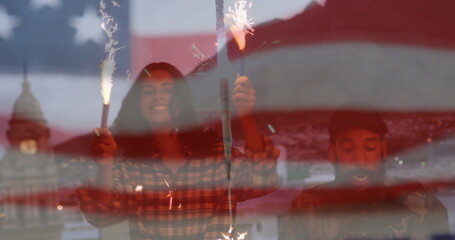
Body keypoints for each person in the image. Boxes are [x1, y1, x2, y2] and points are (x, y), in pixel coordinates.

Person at [77, 62, 279, 240]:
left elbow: (261, 180)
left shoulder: (215, 156)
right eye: (148, 91)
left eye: (167, 90)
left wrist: (246, 115)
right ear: (137, 105)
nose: (158, 97)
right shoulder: (132, 169)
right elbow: (101, 214)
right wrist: (104, 165)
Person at [281, 104, 449, 240]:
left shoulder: (416, 200)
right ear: (332, 153)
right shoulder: (308, 206)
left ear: (382, 150)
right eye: (348, 149)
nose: (359, 159)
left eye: (369, 148)